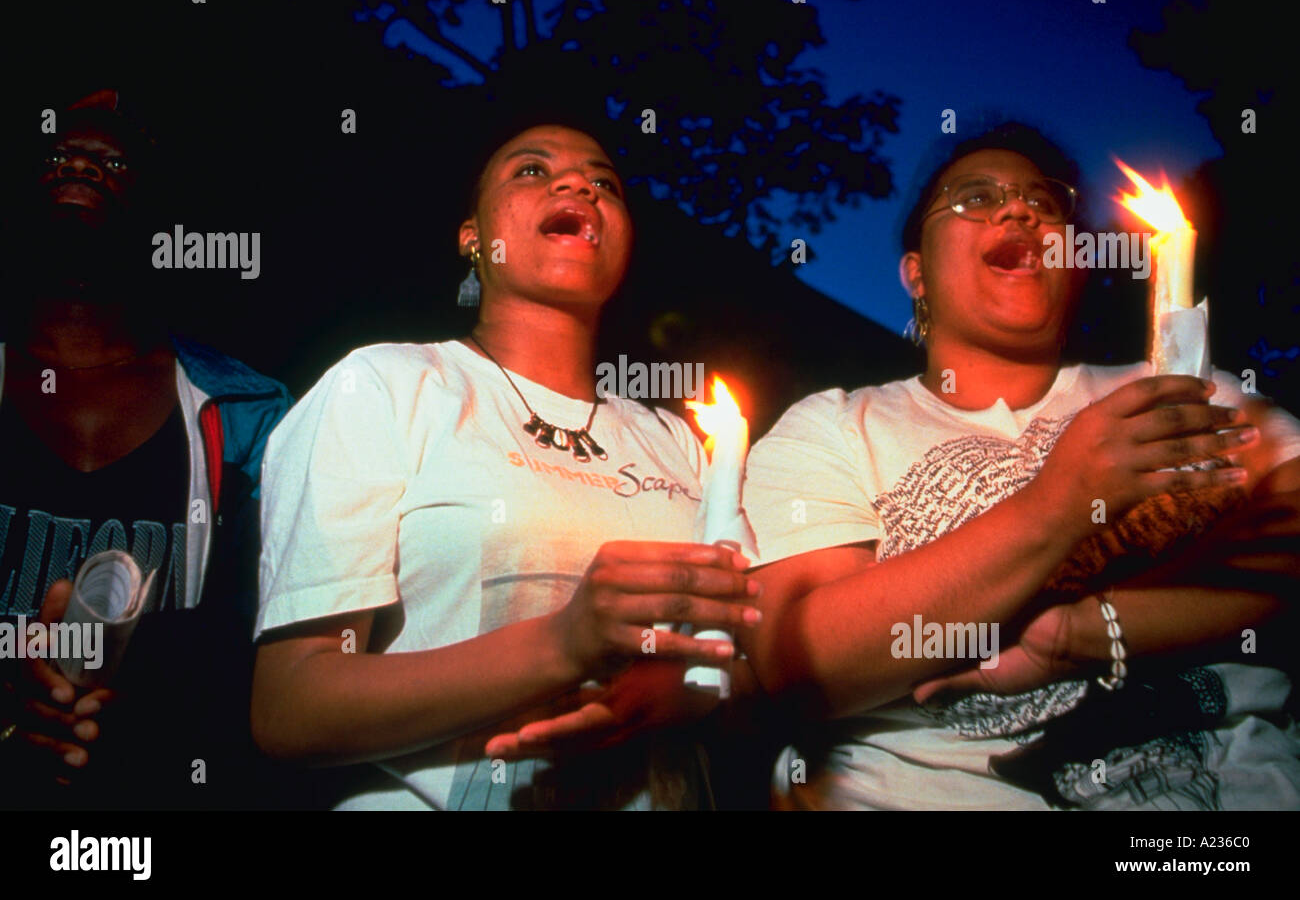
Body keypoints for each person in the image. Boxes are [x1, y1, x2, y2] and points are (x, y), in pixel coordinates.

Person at [737, 122, 1300, 810]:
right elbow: (803, 667)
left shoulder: (1194, 396)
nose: (1020, 210)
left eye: (1046, 202)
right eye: (975, 197)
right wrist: (1055, 506)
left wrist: (1088, 632)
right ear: (916, 271)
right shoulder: (833, 428)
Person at [250, 120, 761, 810]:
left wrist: (680, 695)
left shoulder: (678, 441)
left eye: (603, 182)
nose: (578, 183)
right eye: (531, 171)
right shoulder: (383, 386)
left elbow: (756, 671)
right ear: (472, 239)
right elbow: (290, 709)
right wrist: (561, 645)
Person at [0, 89, 295, 809]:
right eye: (59, 152)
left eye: (116, 161)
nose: (82, 164)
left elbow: (266, 644)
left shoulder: (249, 413)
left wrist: (146, 695)